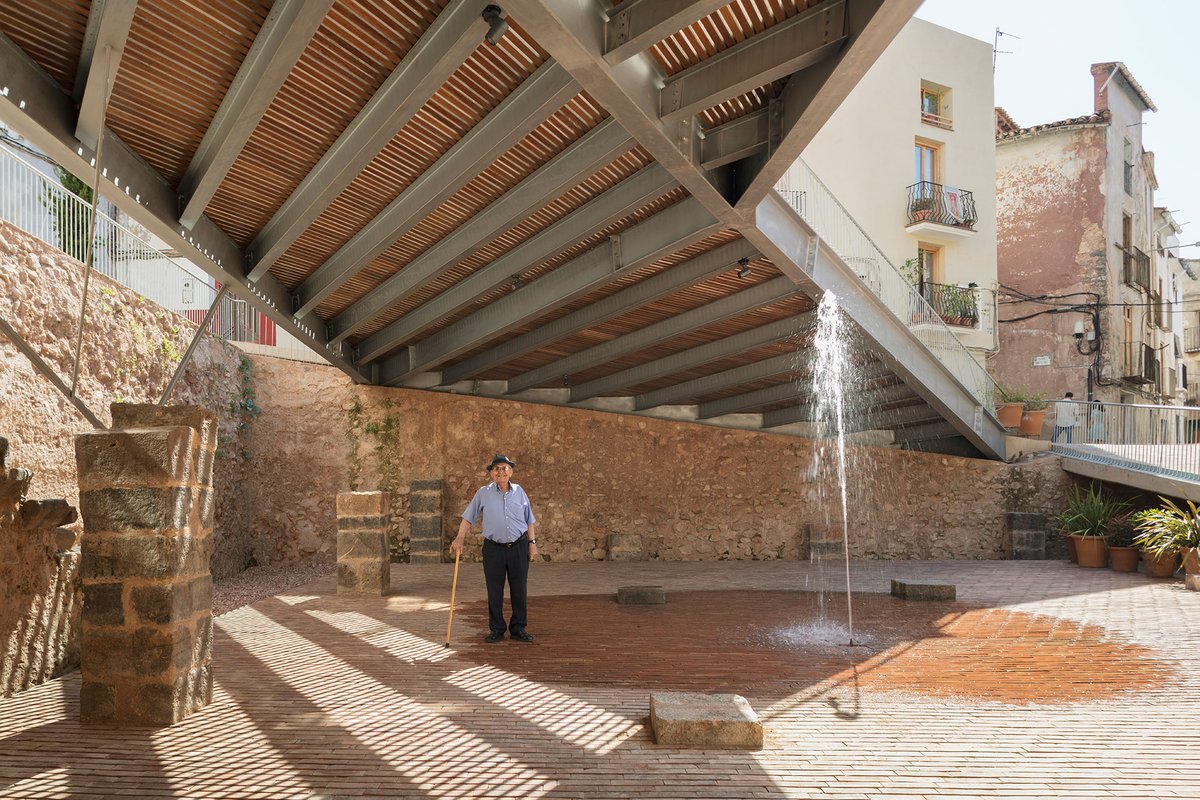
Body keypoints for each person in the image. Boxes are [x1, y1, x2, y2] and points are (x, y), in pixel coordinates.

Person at [451, 454, 539, 643]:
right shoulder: (483, 493)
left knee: (519, 589)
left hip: (519, 546)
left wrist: (532, 544)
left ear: (511, 472)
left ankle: (518, 628)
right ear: (491, 473)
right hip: (493, 549)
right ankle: (497, 628)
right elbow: (468, 517)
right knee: (494, 589)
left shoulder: (519, 491)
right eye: (497, 468)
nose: (501, 471)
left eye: (504, 468)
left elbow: (529, 520)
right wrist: (460, 537)